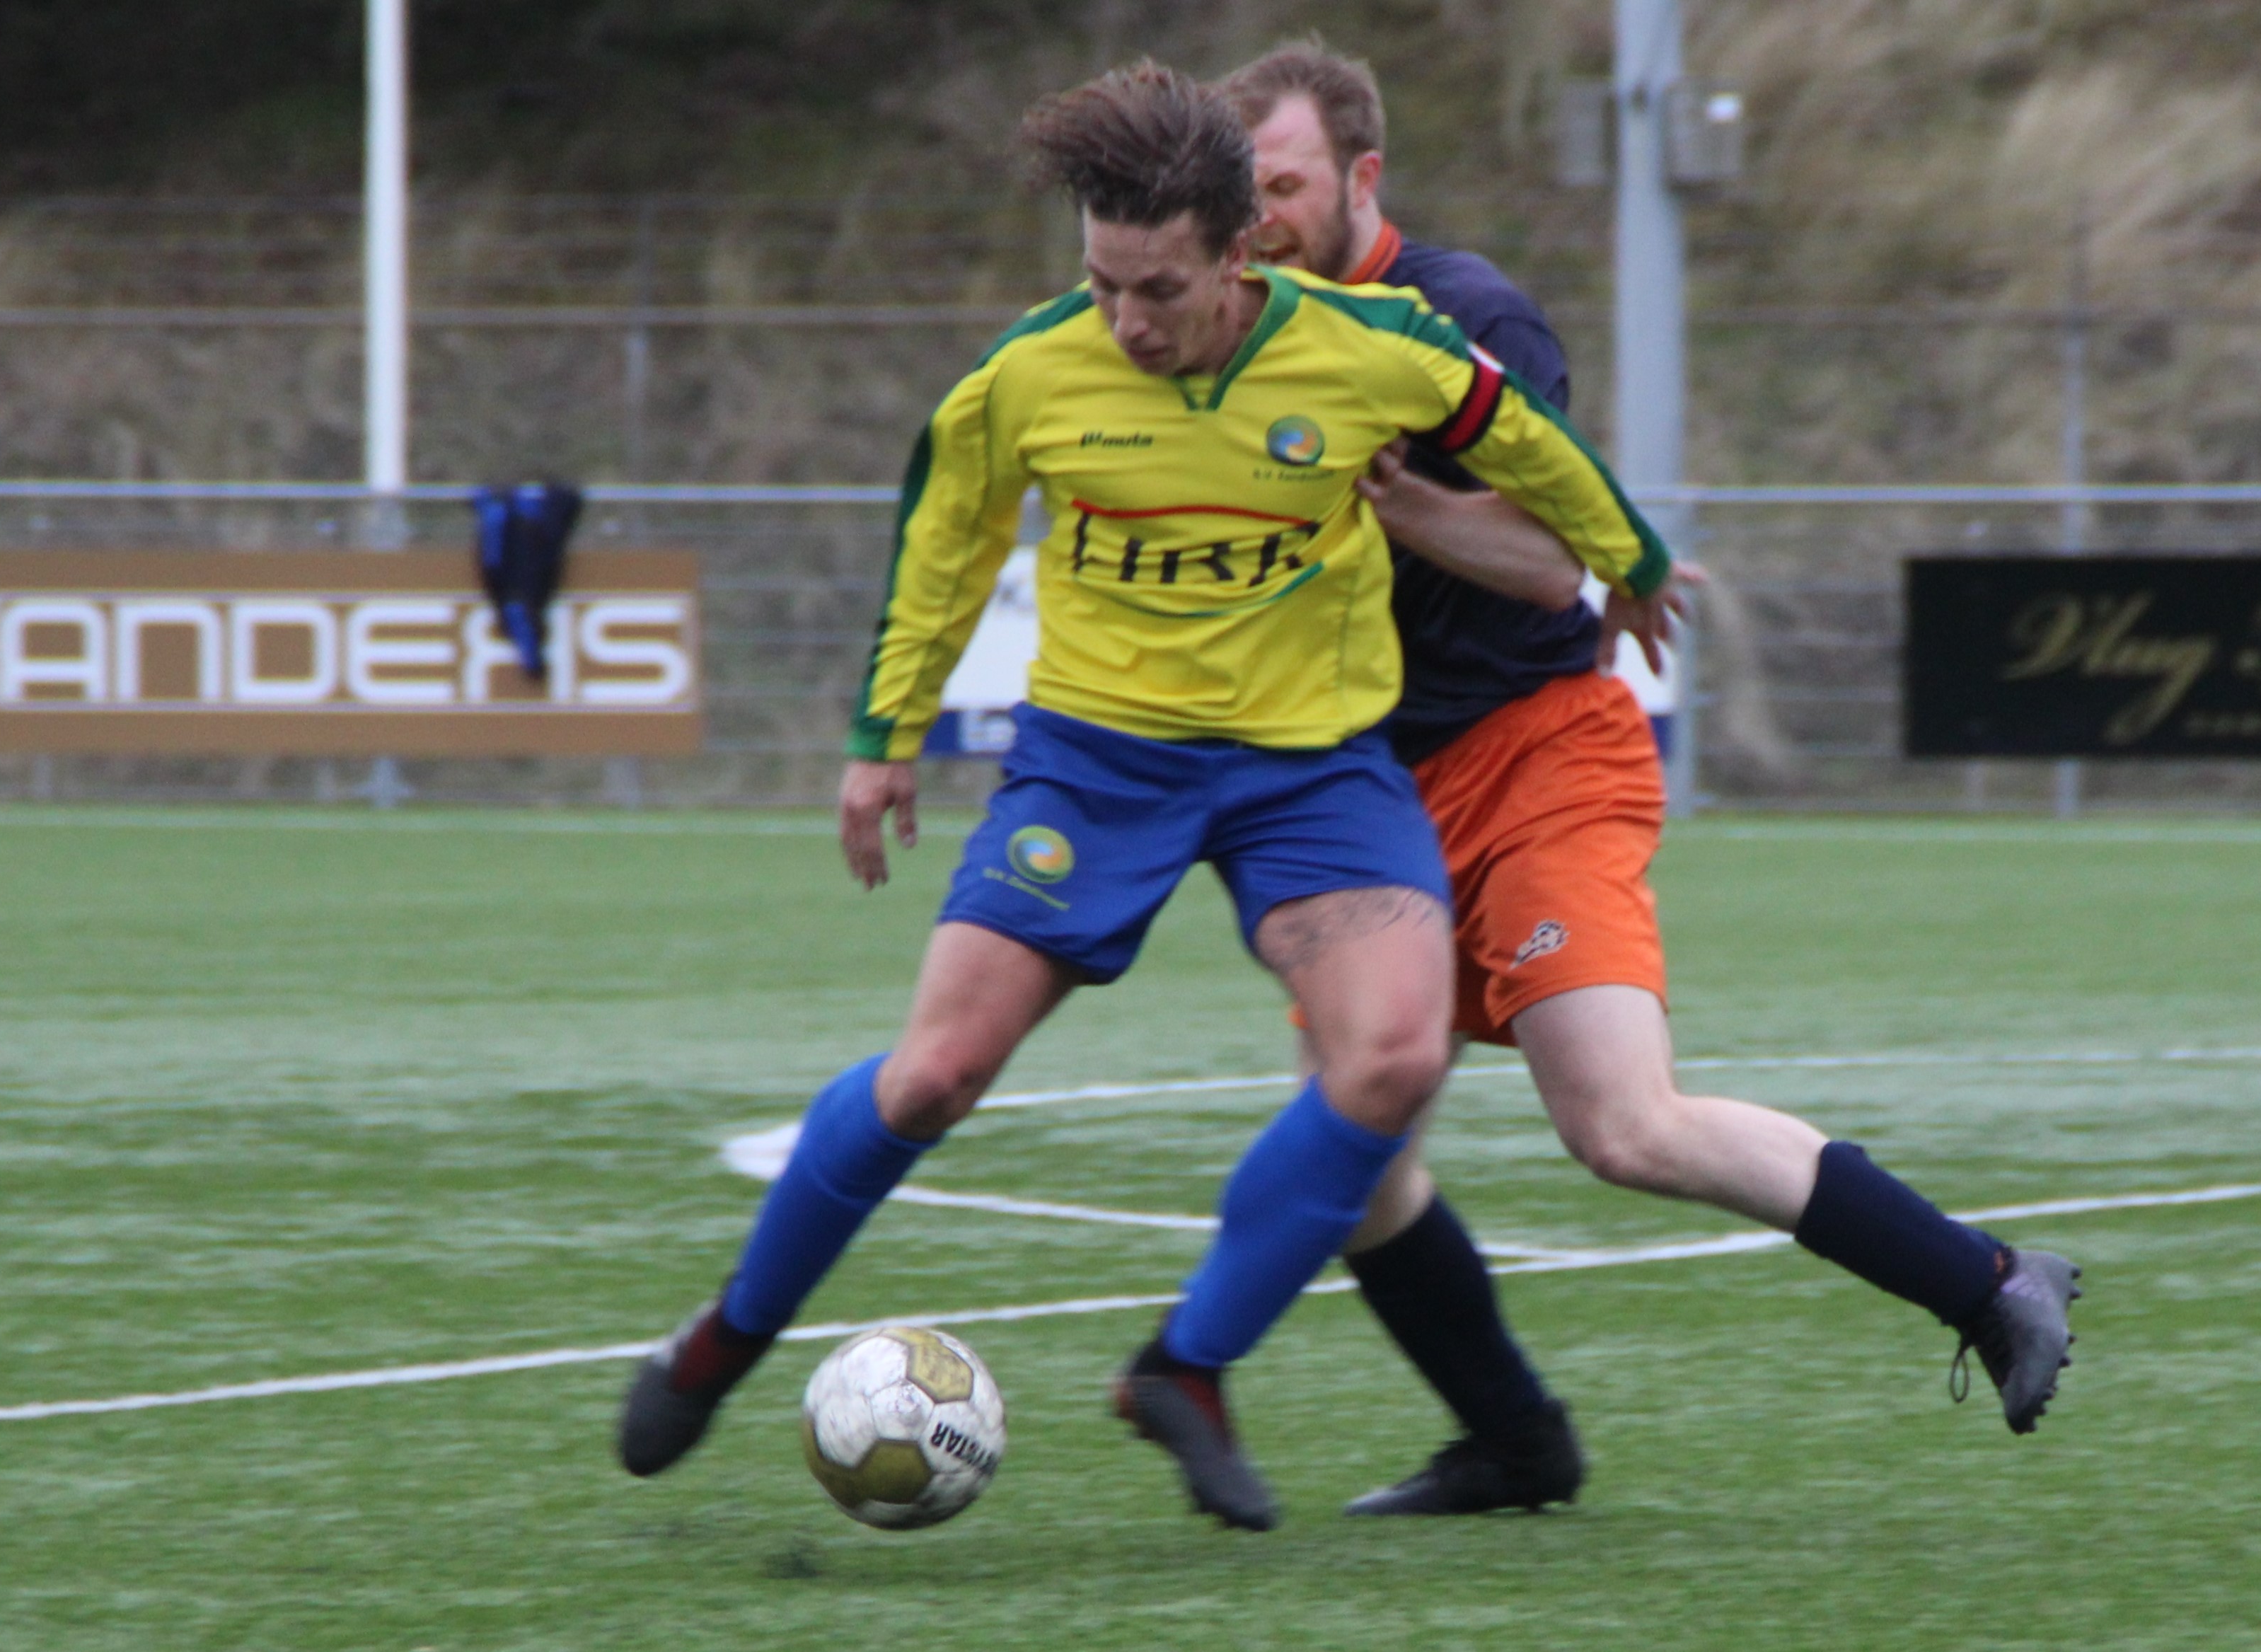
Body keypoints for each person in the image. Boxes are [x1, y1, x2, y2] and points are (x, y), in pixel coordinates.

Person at [615, 60, 1675, 1533]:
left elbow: (1526, 442)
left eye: (1159, 289)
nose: (1126, 321)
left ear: (1238, 251)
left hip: (1312, 772)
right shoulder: (1031, 375)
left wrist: (1632, 558)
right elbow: (943, 539)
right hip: (1097, 766)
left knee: (1388, 1059)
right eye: (1104, 283)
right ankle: (725, 1336)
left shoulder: (1374, 346)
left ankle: (1184, 1368)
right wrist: (885, 736)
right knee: (933, 1074)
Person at [1219, 42, 2082, 1518]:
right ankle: (1515, 1444)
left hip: (1538, 757)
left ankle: (1990, 1280)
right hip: (1374, 798)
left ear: (1362, 178)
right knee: (1350, 1155)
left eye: (1283, 184)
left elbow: (1552, 558)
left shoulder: (1464, 315)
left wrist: (1403, 500)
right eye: (1237, 191)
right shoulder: (1247, 338)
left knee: (1620, 1121)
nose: (1256, 215)